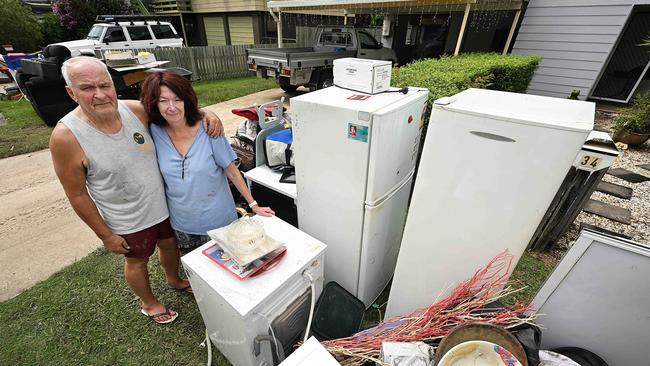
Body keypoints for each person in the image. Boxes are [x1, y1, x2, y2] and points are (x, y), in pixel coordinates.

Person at [50, 56, 223, 325]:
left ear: (113, 85)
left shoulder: (135, 111)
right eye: (87, 88)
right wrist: (106, 235)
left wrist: (206, 113)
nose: (99, 95)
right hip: (127, 218)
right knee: (137, 261)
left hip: (163, 206)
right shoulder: (66, 137)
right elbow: (77, 195)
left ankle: (173, 279)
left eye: (104, 85)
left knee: (169, 245)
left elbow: (174, 111)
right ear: (71, 93)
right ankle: (150, 303)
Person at [140, 71, 275, 254]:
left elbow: (232, 171)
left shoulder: (209, 130)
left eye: (177, 99)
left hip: (218, 222)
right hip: (181, 224)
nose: (171, 107)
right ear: (154, 103)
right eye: (163, 100)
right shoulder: (154, 131)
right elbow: (120, 108)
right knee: (197, 272)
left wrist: (253, 205)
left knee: (227, 269)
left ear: (186, 100)